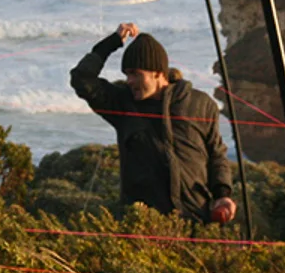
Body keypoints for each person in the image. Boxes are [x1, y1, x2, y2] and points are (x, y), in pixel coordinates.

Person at [70, 22, 237, 224]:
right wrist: (111, 43)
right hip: (144, 224)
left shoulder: (200, 103)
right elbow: (81, 80)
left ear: (158, 73)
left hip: (196, 219)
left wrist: (222, 195)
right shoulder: (122, 103)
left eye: (135, 73)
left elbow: (216, 154)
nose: (129, 80)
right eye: (127, 74)